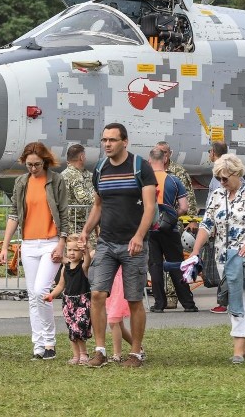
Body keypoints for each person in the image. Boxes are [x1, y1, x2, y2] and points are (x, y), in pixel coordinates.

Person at [82, 123, 157, 368]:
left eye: (112, 140)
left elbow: (150, 207)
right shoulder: (100, 168)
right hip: (106, 242)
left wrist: (138, 236)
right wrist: (85, 231)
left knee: (134, 299)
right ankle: (100, 351)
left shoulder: (140, 167)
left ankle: (135, 353)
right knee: (97, 294)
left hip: (133, 244)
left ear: (125, 141)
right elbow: (98, 205)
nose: (107, 144)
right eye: (104, 140)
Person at [188, 153, 245, 364]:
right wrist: (195, 252)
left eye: (224, 178)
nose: (222, 182)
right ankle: (244, 343)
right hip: (223, 256)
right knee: (232, 296)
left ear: (236, 173)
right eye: (218, 179)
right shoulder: (216, 195)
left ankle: (238, 348)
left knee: (241, 297)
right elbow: (206, 225)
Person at [0, 142, 68, 360]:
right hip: (28, 243)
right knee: (32, 296)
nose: (33, 168)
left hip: (51, 242)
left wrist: (61, 243)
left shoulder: (56, 180)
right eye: (29, 165)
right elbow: (14, 214)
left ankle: (50, 341)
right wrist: (4, 245)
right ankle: (38, 345)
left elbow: (64, 214)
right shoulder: (22, 181)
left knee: (41, 291)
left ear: (45, 162)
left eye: (37, 164)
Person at [147, 147, 197, 313]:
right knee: (176, 264)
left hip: (149, 227)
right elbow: (184, 207)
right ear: (164, 160)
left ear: (149, 161)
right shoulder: (174, 180)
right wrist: (172, 214)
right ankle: (188, 303)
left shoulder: (143, 180)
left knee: (155, 265)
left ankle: (159, 303)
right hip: (169, 228)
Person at [43, 233, 91, 365]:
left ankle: (83, 354)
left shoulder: (83, 266)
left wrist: (85, 250)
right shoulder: (65, 267)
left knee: (79, 328)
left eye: (76, 250)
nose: (72, 253)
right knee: (71, 328)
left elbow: (87, 261)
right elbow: (60, 285)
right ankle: (76, 355)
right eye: (69, 250)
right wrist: (51, 295)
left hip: (82, 301)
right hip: (68, 302)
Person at [205, 141, 229, 314]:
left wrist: (210, 224)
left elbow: (214, 203)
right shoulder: (231, 172)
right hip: (226, 226)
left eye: (209, 151)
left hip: (222, 228)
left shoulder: (218, 176)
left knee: (224, 266)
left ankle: (224, 302)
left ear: (213, 153)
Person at [62, 144, 95, 236]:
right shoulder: (73, 176)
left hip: (80, 223)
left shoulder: (82, 174)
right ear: (82, 157)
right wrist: (101, 202)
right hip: (76, 225)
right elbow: (84, 199)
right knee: (86, 248)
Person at [105, 266, 134, 363]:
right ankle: (138, 347)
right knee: (119, 324)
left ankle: (117, 355)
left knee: (113, 320)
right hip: (109, 284)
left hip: (119, 284)